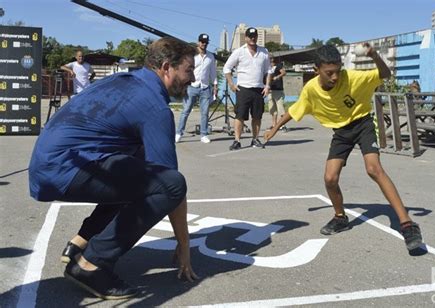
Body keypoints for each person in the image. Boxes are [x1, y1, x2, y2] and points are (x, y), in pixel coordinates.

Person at [29, 37, 199, 300]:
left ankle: (80, 244)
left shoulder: (122, 82)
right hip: (65, 167)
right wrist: (184, 243)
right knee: (171, 184)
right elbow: (170, 183)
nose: (193, 78)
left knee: (139, 165)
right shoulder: (154, 106)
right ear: (167, 67)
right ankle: (91, 264)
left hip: (49, 163)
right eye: (189, 70)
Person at [264, 44, 423, 251]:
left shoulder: (351, 77)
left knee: (373, 169)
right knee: (330, 178)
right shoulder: (311, 89)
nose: (335, 77)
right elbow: (294, 111)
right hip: (341, 132)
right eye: (329, 73)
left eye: (337, 71)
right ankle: (340, 218)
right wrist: (274, 128)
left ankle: (407, 224)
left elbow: (384, 74)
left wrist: (374, 54)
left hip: (362, 123)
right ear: (316, 70)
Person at [223, 27, 272, 150]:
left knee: (257, 116)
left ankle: (255, 139)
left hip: (258, 89)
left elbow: (269, 71)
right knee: (240, 116)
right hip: (243, 89)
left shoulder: (264, 52)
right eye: (250, 36)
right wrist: (231, 84)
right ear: (245, 38)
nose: (252, 38)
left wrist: (267, 86)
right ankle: (237, 141)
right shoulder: (239, 51)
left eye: (254, 36)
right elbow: (227, 68)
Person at [175, 33, 218, 144]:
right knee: (186, 110)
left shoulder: (210, 56)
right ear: (198, 42)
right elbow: (185, 69)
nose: (204, 44)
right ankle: (179, 133)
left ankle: (204, 134)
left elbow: (213, 72)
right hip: (192, 86)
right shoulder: (192, 55)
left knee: (205, 112)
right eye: (202, 42)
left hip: (205, 87)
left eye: (206, 42)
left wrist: (215, 85)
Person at [267, 56, 287, 132]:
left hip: (278, 90)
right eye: (269, 58)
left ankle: (283, 125)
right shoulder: (267, 67)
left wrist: (277, 77)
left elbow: (284, 72)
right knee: (272, 109)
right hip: (270, 90)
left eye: (271, 58)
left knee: (280, 108)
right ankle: (274, 125)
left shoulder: (278, 66)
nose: (270, 59)